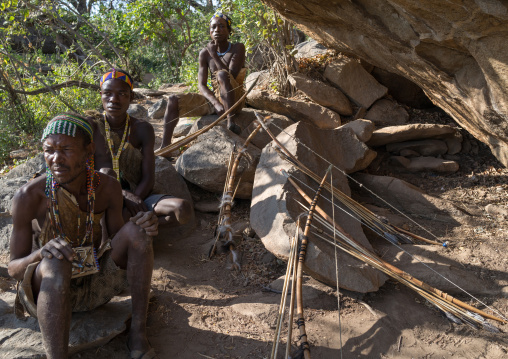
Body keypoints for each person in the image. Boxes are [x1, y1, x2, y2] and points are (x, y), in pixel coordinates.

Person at [8, 114, 158, 359]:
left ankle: (138, 334)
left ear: (89, 151)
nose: (56, 159)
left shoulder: (107, 187)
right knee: (56, 260)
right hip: (46, 290)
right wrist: (41, 253)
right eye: (49, 150)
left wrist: (143, 225)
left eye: (66, 149)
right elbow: (14, 269)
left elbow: (118, 239)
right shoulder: (29, 197)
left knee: (138, 233)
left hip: (95, 285)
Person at [92, 69, 192, 226]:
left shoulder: (142, 129)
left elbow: (148, 177)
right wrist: (123, 196)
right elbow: (85, 174)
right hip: (101, 197)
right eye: (108, 93)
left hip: (137, 195)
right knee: (106, 175)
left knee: (182, 209)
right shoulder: (91, 126)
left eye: (122, 94)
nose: (114, 100)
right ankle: (132, 226)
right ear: (101, 95)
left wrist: (135, 200)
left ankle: (140, 223)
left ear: (131, 97)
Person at [157, 12, 246, 152]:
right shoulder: (204, 53)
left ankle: (230, 121)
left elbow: (230, 76)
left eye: (222, 26)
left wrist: (214, 55)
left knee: (222, 75)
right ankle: (166, 146)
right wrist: (215, 103)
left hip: (233, 99)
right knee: (173, 99)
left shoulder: (238, 48)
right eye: (213, 27)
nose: (217, 30)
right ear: (210, 32)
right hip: (216, 101)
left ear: (229, 31)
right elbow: (201, 84)